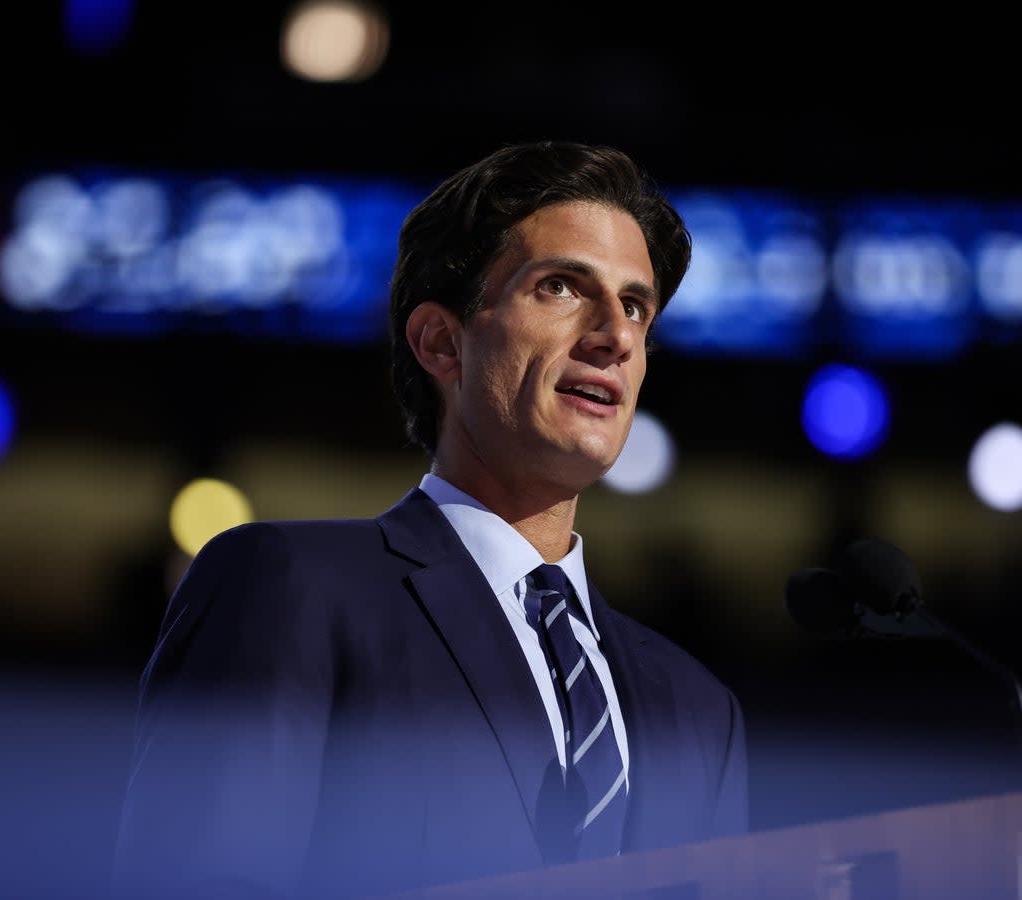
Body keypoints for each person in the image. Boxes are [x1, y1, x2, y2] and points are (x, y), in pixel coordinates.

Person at [110, 140, 749, 900]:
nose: (615, 334)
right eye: (561, 287)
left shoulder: (702, 713)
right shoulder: (288, 588)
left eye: (636, 306)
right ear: (441, 342)